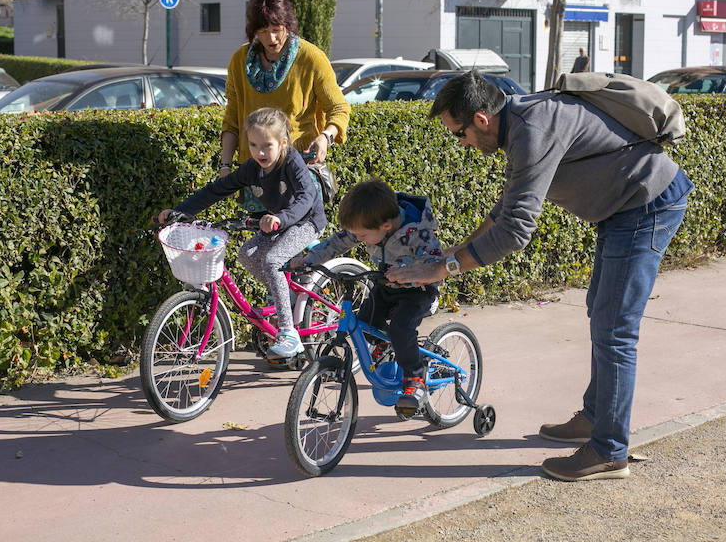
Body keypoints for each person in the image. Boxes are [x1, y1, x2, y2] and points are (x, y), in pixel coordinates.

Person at [386, 70, 693, 482]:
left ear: (480, 119)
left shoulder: (532, 129)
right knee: (601, 314)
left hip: (646, 205)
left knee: (615, 327)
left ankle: (608, 450)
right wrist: (452, 253)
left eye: (459, 134)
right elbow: (503, 211)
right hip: (623, 210)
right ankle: (596, 417)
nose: (461, 145)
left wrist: (444, 268)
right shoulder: (520, 123)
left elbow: (515, 231)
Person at [159, 107, 326, 359]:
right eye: (252, 144)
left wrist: (280, 218)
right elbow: (218, 189)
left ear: (282, 143)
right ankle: (287, 297)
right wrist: (179, 213)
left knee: (272, 260)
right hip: (278, 222)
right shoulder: (252, 168)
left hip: (306, 221)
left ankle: (288, 333)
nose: (259, 152)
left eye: (267, 145)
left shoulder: (291, 161)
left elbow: (306, 197)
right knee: (246, 254)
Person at [292, 178, 443, 417]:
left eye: (362, 236)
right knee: (364, 323)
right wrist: (309, 261)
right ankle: (385, 344)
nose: (358, 239)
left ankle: (415, 379)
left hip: (418, 290)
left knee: (401, 329)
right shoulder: (369, 223)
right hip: (387, 284)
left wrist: (409, 277)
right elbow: (338, 242)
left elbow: (437, 268)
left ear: (385, 225)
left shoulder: (419, 234)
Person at [218, 0, 350, 212]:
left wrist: (325, 137)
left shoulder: (311, 58)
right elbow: (232, 120)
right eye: (262, 31)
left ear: (287, 25)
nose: (271, 38)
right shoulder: (240, 60)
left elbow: (339, 108)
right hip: (253, 172)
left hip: (297, 169)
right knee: (260, 241)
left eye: (277, 29)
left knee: (297, 237)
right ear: (253, 31)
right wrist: (226, 166)